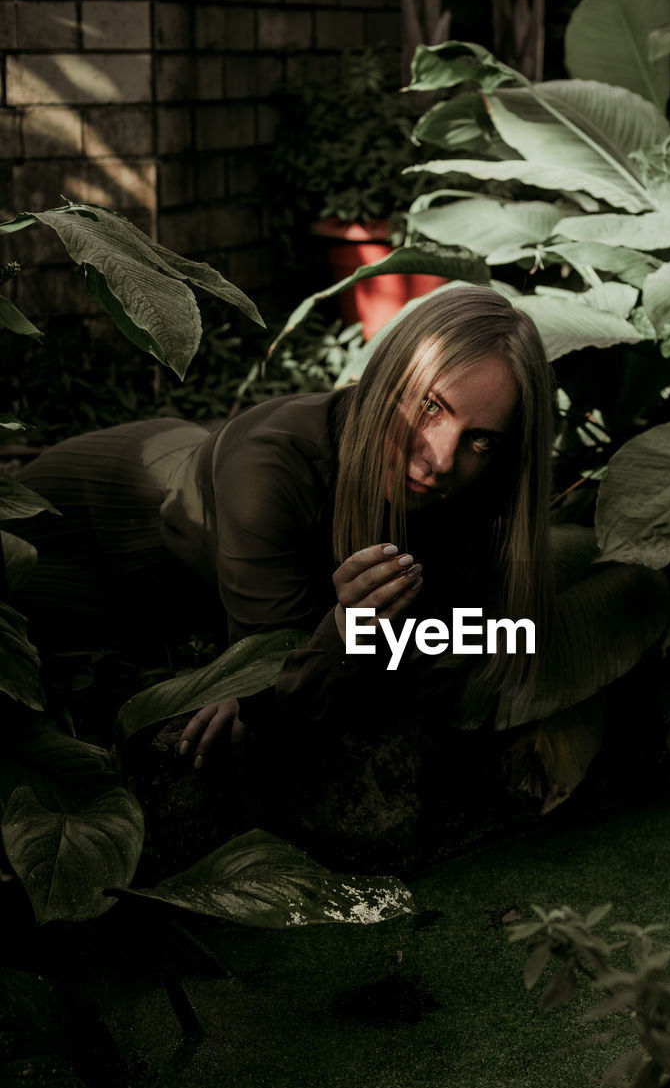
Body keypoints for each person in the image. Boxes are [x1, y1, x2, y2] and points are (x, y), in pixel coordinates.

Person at [12, 285, 555, 764]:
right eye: (431, 406)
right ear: (387, 378)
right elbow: (275, 701)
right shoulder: (271, 469)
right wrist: (326, 641)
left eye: (481, 438)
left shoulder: (473, 489)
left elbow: (473, 637)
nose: (439, 459)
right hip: (75, 527)